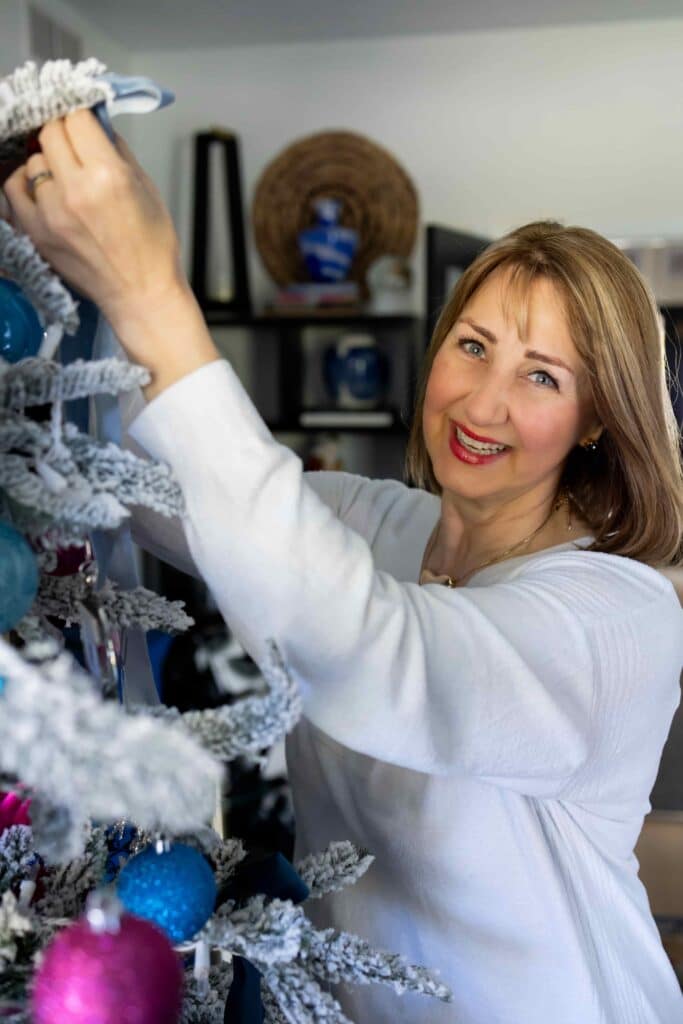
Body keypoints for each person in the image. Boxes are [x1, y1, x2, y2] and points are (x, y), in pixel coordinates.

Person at [4, 110, 683, 1024]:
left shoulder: (614, 616)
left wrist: (151, 294)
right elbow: (165, 483)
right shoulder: (374, 523)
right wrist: (61, 288)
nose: (483, 403)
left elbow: (357, 648)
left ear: (598, 419)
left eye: (541, 376)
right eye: (472, 346)